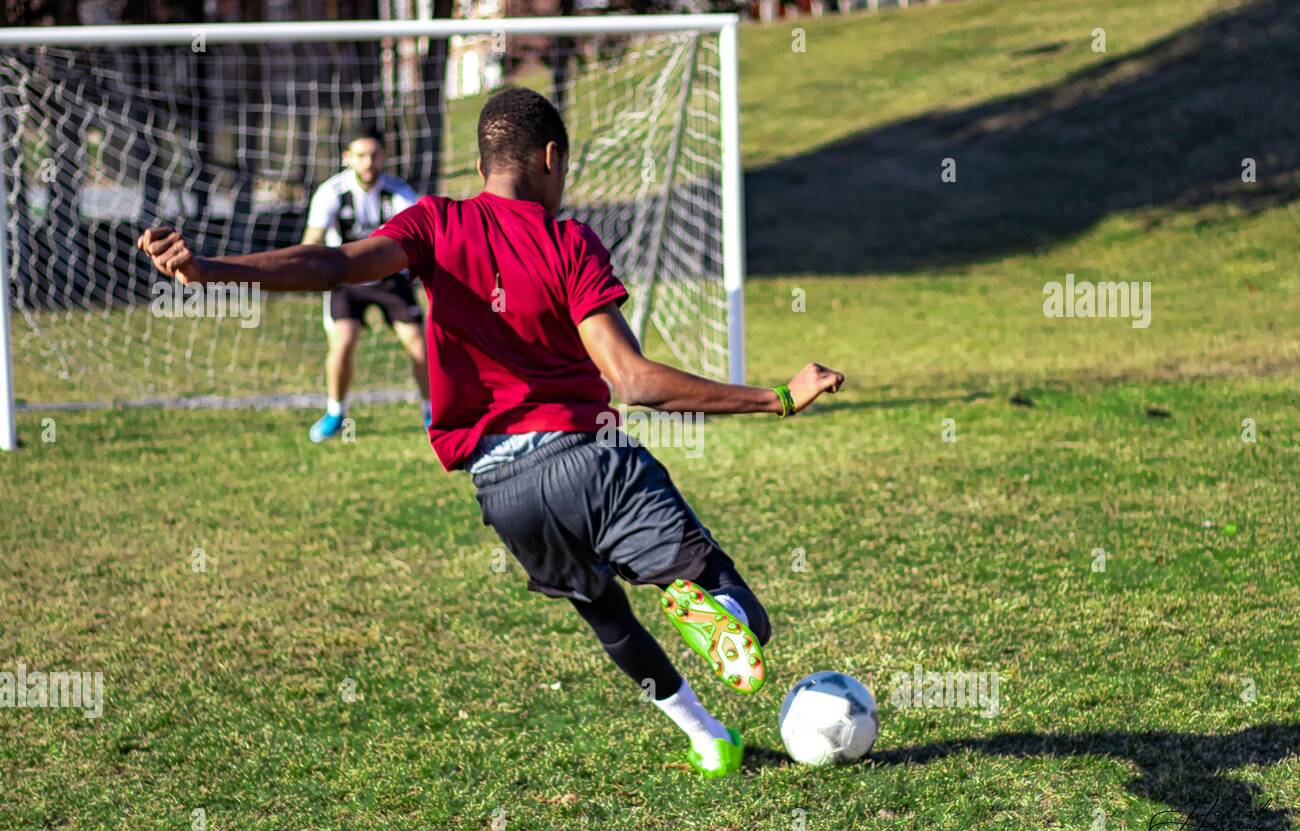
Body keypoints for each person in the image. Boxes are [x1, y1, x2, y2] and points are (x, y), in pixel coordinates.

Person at [136, 88, 844, 778]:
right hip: (589, 457)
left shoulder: (432, 223)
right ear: (552, 158)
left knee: (603, 612)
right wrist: (775, 397)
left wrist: (209, 270)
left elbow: (334, 265)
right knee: (741, 609)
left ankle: (709, 739)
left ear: (480, 168)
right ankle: (713, 608)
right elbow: (634, 382)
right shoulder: (567, 238)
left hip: (504, 488)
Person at [302, 124, 429, 442]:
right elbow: (312, 241)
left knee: (419, 345)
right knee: (342, 344)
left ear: (383, 156)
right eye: (361, 155)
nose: (368, 162)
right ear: (348, 158)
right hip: (346, 282)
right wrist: (302, 266)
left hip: (390, 281)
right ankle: (335, 413)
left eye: (374, 155)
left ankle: (431, 411)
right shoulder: (331, 193)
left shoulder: (399, 194)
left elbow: (422, 241)